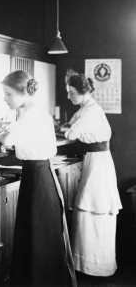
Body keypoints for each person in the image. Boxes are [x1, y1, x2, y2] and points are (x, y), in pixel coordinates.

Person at [0, 70, 76, 287]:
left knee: (37, 238)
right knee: (36, 236)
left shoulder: (31, 113)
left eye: (8, 94)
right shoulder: (32, 111)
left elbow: (10, 138)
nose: (5, 99)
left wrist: (0, 134)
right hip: (38, 175)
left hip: (39, 178)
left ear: (23, 93)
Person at [61, 69, 122, 277]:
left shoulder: (91, 111)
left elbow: (71, 132)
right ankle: (85, 265)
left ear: (82, 91)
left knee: (94, 211)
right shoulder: (85, 108)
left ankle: (96, 267)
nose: (68, 96)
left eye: (71, 92)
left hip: (99, 165)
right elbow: (70, 125)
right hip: (93, 161)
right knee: (87, 214)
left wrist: (65, 129)